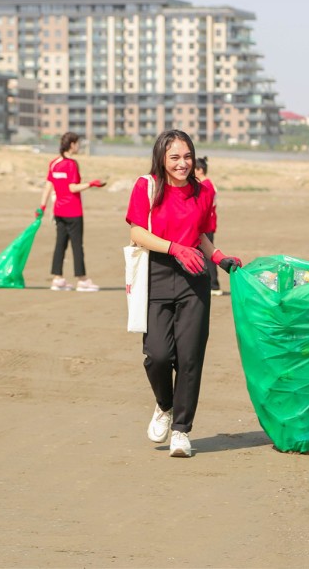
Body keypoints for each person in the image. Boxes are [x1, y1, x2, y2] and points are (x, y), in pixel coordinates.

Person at [125, 130, 242, 458]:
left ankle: (181, 431)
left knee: (190, 358)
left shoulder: (202, 191)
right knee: (158, 355)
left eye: (187, 156)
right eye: (175, 157)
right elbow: (136, 232)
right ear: (162, 157)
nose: (182, 163)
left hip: (194, 280)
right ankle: (165, 405)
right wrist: (175, 249)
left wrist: (219, 259)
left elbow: (201, 234)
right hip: (156, 274)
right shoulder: (146, 186)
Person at [36, 131, 106, 292]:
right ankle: (82, 280)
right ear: (72, 144)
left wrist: (42, 206)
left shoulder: (54, 163)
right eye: (78, 143)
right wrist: (91, 184)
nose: (79, 146)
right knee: (76, 245)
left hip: (58, 211)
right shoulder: (71, 164)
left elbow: (48, 185)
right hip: (73, 211)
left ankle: (57, 279)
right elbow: (72, 187)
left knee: (60, 244)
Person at [194, 157, 222, 297]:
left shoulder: (207, 185)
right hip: (207, 224)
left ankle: (214, 285)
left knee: (209, 254)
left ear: (199, 170)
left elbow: (204, 207)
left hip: (207, 225)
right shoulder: (206, 184)